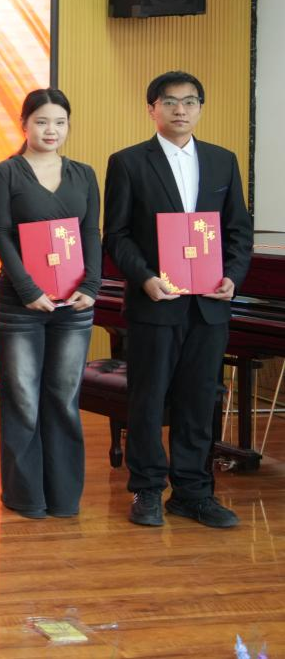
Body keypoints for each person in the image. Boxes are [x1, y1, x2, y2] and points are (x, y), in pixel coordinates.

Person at [103, 70, 252, 529]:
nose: (180, 110)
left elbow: (238, 230)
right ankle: (147, 489)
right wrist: (145, 278)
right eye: (170, 101)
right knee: (148, 399)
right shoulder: (128, 162)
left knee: (198, 399)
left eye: (189, 101)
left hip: (208, 305)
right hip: (155, 301)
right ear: (152, 109)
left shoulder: (223, 161)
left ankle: (192, 492)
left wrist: (232, 277)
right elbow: (117, 234)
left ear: (200, 108)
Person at [0, 89, 101, 519]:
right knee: (22, 400)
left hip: (74, 305)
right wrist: (28, 290)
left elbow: (91, 232)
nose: (51, 130)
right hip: (20, 307)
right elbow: (0, 233)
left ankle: (64, 497)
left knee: (63, 397)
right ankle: (26, 497)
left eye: (59, 122)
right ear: (24, 125)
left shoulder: (84, 174)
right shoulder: (5, 173)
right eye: (41, 122)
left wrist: (92, 285)